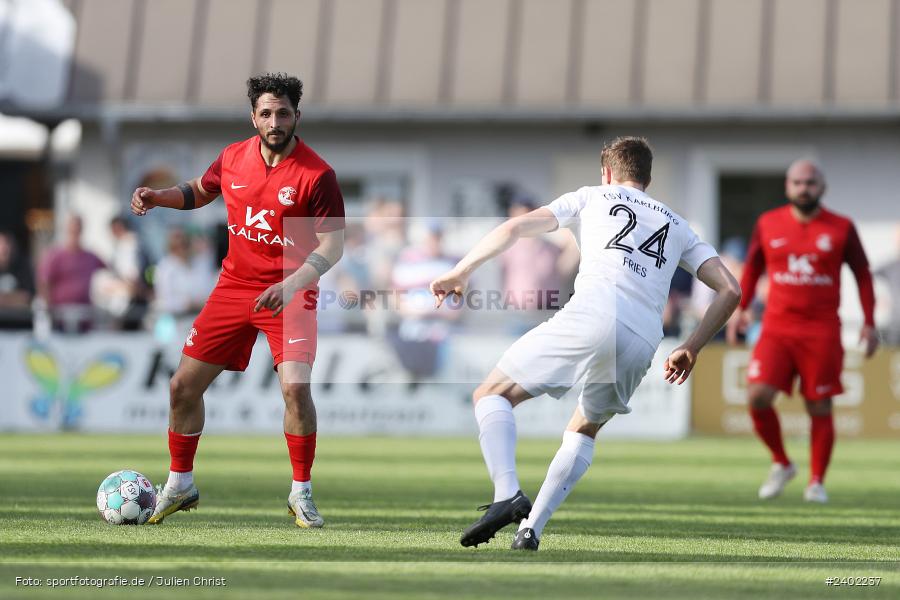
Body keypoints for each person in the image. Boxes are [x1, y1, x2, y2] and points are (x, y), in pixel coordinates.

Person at [430, 137, 740, 551]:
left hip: (593, 312)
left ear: (607, 173)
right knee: (584, 428)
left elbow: (513, 228)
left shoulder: (591, 197)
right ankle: (531, 530)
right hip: (643, 338)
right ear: (646, 177)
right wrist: (693, 346)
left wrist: (461, 271)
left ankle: (506, 493)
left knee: (491, 394)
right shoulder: (680, 226)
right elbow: (730, 290)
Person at [130, 73, 345, 528]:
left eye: (283, 112)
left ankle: (301, 493)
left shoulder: (317, 175)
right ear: (253, 117)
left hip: (292, 292)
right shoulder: (233, 158)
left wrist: (292, 284)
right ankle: (180, 483)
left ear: (296, 117)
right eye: (266, 113)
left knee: (296, 388)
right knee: (181, 388)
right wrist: (159, 197)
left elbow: (331, 246)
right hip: (233, 288)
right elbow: (199, 191)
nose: (274, 121)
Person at [726, 159, 878, 504]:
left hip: (821, 330)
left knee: (819, 404)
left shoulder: (841, 227)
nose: (803, 188)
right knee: (757, 396)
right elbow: (753, 266)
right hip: (777, 328)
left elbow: (863, 274)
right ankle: (781, 462)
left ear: (821, 187)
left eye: (810, 182)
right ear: (787, 186)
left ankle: (816, 482)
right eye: (797, 182)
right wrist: (742, 308)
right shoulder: (768, 223)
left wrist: (869, 322)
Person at [37, 215, 105, 332]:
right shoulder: (55, 255)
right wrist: (49, 311)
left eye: (77, 228)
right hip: (60, 317)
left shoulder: (91, 257)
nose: (75, 232)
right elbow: (44, 283)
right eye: (72, 228)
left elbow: (109, 273)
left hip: (85, 317)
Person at [0, 231, 35, 329]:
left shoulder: (23, 267)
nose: (3, 248)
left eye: (6, 243)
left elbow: (27, 297)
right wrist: (15, 298)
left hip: (20, 327)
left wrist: (3, 299)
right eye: (0, 244)